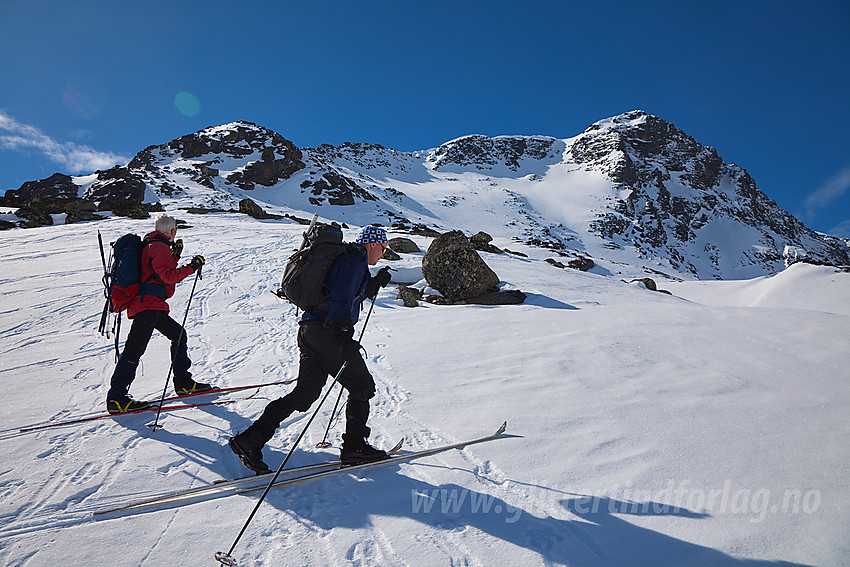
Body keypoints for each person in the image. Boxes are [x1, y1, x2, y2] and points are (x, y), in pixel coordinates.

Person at [229, 225, 393, 472]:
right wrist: (343, 334)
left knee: (306, 393)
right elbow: (340, 296)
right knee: (362, 386)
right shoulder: (353, 261)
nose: (382, 254)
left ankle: (250, 440)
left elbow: (345, 291)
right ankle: (355, 447)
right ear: (372, 244)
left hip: (311, 330)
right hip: (327, 333)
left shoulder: (351, 260)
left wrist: (374, 283)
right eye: (382, 248)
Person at [106, 213, 212, 414]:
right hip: (149, 306)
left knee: (178, 335)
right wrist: (191, 267)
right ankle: (116, 398)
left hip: (151, 305)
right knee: (134, 350)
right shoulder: (159, 247)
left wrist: (175, 256)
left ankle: (183, 382)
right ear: (172, 231)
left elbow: (157, 270)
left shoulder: (152, 244)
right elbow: (167, 276)